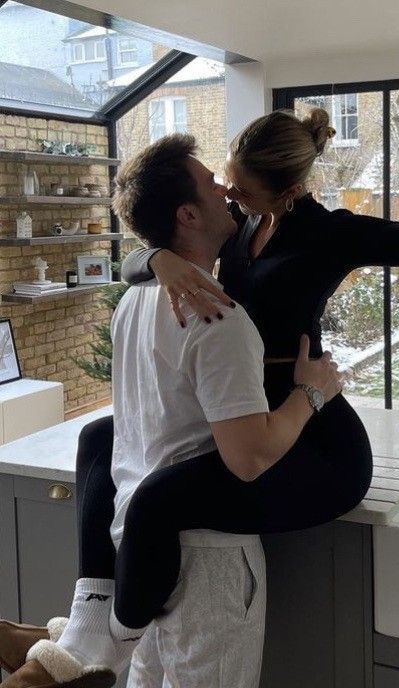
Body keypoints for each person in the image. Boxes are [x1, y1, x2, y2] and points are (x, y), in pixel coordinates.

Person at [0, 54, 399, 685]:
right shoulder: (237, 228)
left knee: (158, 500)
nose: (228, 195)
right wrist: (157, 261)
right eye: (224, 184)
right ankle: (89, 618)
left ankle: (91, 654)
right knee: (98, 438)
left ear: (286, 191)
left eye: (242, 189)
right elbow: (163, 244)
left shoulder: (332, 234)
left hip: (312, 436)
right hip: (249, 415)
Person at [0, 135, 345, 688]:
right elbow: (249, 458)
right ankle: (73, 650)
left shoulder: (134, 302)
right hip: (207, 562)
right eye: (211, 184)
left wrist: (154, 256)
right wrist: (311, 392)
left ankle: (78, 644)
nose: (224, 188)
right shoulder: (218, 319)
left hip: (136, 550)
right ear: (188, 214)